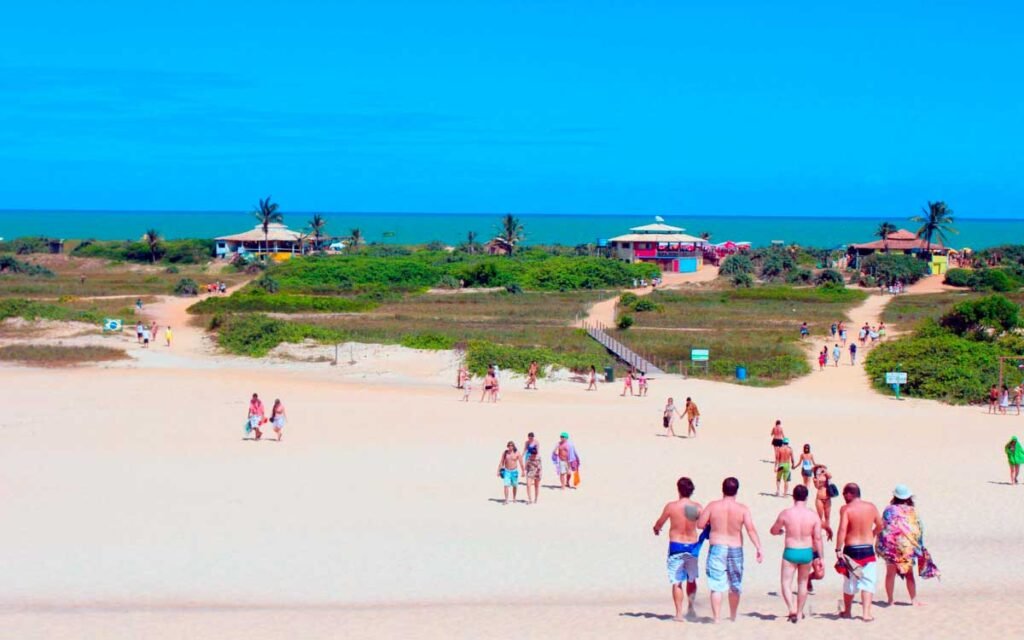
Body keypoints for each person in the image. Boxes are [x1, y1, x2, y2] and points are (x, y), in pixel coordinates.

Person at [696, 477, 763, 624]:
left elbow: (700, 525)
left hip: (717, 546)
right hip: (735, 547)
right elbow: (751, 529)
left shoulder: (713, 506)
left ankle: (717, 618)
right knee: (735, 584)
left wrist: (709, 521)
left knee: (716, 584)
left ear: (722, 489)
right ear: (737, 491)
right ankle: (732, 616)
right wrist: (758, 547)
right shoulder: (742, 509)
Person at [653, 477, 707, 622]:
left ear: (678, 489)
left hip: (676, 545)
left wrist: (656, 529)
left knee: (677, 581)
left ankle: (678, 614)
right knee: (691, 578)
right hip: (691, 546)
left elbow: (660, 522)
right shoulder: (696, 507)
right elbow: (703, 524)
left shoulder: (672, 507)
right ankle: (690, 608)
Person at [769, 485, 822, 623]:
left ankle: (791, 609)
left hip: (791, 550)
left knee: (786, 583)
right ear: (806, 497)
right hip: (806, 551)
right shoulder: (813, 515)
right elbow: (817, 538)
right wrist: (820, 557)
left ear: (793, 496)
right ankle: (799, 613)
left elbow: (773, 530)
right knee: (803, 583)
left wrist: (780, 532)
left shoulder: (786, 513)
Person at [835, 483, 883, 622]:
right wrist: (872, 534)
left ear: (851, 494)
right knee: (868, 580)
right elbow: (880, 525)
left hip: (851, 549)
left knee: (850, 581)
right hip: (867, 549)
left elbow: (842, 530)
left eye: (844, 493)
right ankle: (866, 614)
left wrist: (838, 548)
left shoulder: (846, 509)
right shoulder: (871, 507)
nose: (843, 496)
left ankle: (848, 612)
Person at [876, 485, 926, 606]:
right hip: (906, 547)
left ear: (895, 497)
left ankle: (890, 600)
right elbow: (919, 528)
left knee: (890, 574)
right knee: (909, 575)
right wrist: (919, 546)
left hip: (891, 547)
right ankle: (914, 600)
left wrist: (880, 544)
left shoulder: (889, 509)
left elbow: (884, 527)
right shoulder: (912, 511)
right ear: (908, 497)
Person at [812, 465, 835, 540]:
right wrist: (817, 478)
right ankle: (819, 531)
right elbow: (817, 486)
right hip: (819, 498)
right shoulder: (815, 477)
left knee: (827, 517)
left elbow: (830, 476)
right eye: (819, 469)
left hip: (828, 498)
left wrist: (824, 471)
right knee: (820, 517)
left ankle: (827, 532)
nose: (821, 470)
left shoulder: (826, 475)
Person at [522, 433, 542, 503]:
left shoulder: (536, 442)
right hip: (529, 457)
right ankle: (530, 499)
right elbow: (525, 449)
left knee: (536, 485)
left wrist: (536, 455)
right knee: (528, 484)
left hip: (536, 462)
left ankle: (536, 499)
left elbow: (537, 451)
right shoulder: (527, 442)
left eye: (531, 437)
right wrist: (522, 456)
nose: (530, 438)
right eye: (529, 437)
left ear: (533, 437)